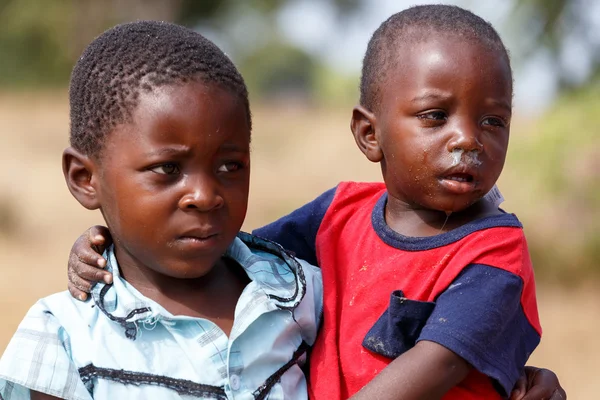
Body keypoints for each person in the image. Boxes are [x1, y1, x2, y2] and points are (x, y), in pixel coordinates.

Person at [66, 5, 567, 400]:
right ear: (370, 135)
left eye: (493, 121)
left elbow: (437, 364)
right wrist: (111, 250)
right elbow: (225, 249)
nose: (468, 141)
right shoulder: (338, 214)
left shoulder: (495, 253)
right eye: (436, 116)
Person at [0, 21, 323, 400]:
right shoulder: (64, 336)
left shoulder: (297, 292)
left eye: (229, 166)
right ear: (85, 178)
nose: (204, 196)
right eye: (168, 169)